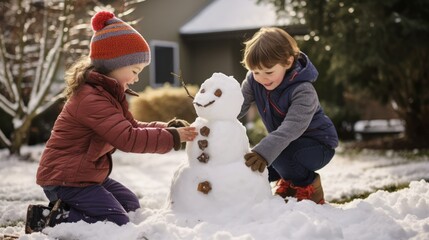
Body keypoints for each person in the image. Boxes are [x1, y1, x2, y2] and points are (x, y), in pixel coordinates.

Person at [25, 11, 198, 233]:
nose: (136, 78)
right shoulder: (90, 98)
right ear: (113, 64)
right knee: (117, 221)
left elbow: (132, 126)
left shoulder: (108, 93)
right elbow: (127, 138)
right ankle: (50, 219)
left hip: (86, 176)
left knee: (130, 205)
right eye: (134, 71)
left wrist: (168, 129)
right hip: (65, 180)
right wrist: (173, 138)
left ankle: (72, 209)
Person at [239, 27, 338, 204]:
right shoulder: (254, 81)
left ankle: (308, 185)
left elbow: (292, 128)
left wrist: (263, 151)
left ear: (287, 61)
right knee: (258, 170)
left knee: (279, 156)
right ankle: (288, 180)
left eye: (269, 72)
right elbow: (236, 106)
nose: (262, 78)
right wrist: (209, 121)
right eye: (256, 72)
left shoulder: (302, 90)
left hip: (318, 146)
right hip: (286, 144)